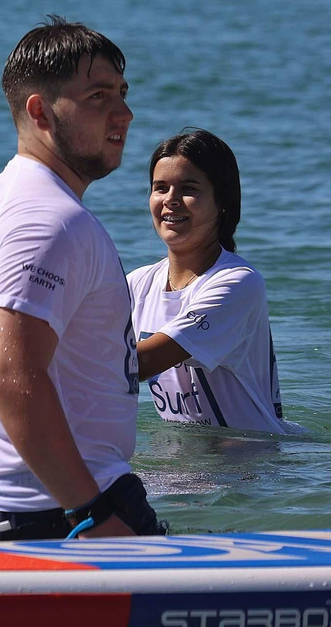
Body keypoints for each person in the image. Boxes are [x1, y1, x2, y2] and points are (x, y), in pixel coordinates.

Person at [0, 17, 163, 543]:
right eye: (98, 96)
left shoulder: (9, 199)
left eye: (122, 93)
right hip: (45, 511)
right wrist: (92, 513)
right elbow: (11, 375)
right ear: (41, 112)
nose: (124, 113)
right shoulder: (49, 220)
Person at [129, 129, 302, 434]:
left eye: (188, 188)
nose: (170, 200)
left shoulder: (237, 283)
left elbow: (141, 363)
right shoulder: (138, 283)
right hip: (185, 453)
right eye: (160, 188)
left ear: (221, 201)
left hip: (254, 456)